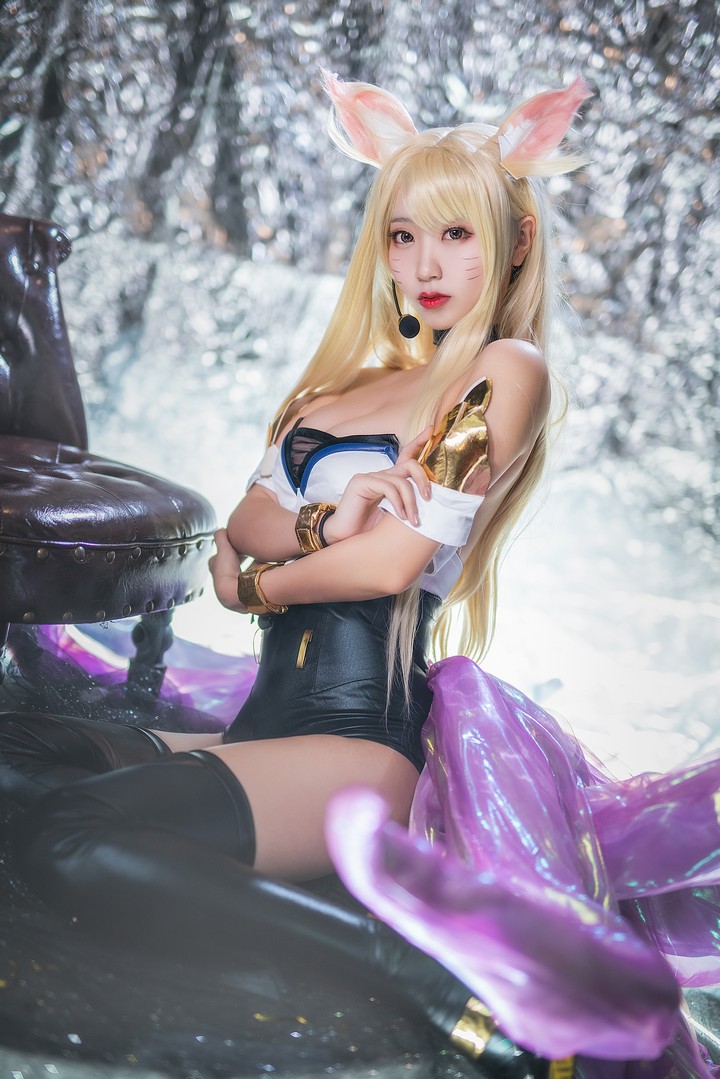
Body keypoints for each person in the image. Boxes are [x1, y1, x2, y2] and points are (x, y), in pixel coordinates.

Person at [1, 72, 718, 1079]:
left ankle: (452, 996)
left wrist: (259, 584)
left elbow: (384, 562)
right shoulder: (343, 387)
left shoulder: (506, 369)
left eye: (457, 235)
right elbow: (245, 519)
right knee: (14, 754)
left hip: (357, 742)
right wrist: (323, 519)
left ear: (515, 241)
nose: (425, 264)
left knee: (68, 839)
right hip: (264, 725)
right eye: (403, 234)